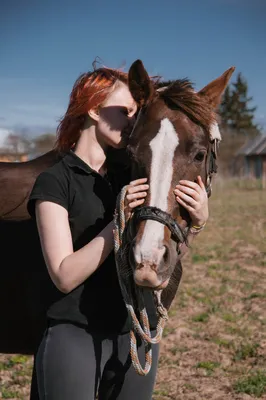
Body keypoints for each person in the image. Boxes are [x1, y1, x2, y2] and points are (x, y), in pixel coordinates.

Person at [27, 63, 209, 400]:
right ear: (95, 110)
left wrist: (196, 221)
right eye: (126, 111)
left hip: (134, 334)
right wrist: (118, 221)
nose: (134, 118)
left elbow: (159, 252)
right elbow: (64, 276)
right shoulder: (55, 181)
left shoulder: (133, 175)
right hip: (75, 331)